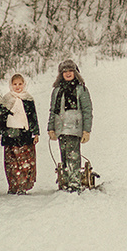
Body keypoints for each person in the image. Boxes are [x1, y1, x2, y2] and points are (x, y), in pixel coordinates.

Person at [47, 59, 93, 193]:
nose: (68, 73)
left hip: (75, 128)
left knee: (73, 156)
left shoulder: (81, 90)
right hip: (61, 129)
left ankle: (74, 183)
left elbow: (87, 111)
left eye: (70, 71)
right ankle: (65, 181)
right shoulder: (57, 91)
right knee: (64, 156)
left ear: (75, 72)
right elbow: (53, 111)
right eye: (65, 71)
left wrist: (86, 131)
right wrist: (51, 128)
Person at [0, 73, 39, 195]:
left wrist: (35, 133)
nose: (17, 86)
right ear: (11, 85)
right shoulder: (7, 99)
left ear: (24, 84)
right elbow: (1, 117)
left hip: (25, 134)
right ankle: (13, 185)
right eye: (15, 84)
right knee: (12, 162)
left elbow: (33, 117)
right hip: (10, 135)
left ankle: (23, 186)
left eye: (20, 84)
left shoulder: (28, 99)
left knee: (25, 161)